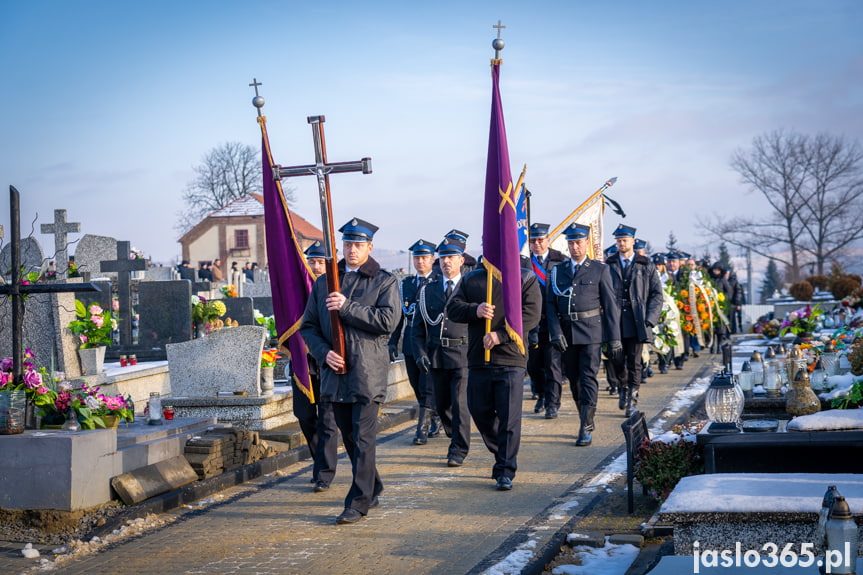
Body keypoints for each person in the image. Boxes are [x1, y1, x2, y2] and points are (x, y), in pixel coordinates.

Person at [300, 217, 400, 525]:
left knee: (364, 438)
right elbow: (309, 326)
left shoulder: (384, 281)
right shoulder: (325, 282)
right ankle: (373, 485)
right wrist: (323, 353)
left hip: (368, 373)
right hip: (335, 373)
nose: (352, 250)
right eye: (347, 244)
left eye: (358, 245)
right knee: (351, 438)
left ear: (370, 247)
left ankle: (357, 503)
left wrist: (346, 307)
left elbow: (387, 321)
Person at [447, 254, 541, 489]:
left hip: (511, 358)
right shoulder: (473, 279)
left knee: (510, 416)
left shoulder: (524, 278)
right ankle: (504, 452)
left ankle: (505, 470)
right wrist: (475, 310)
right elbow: (453, 308)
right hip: (479, 359)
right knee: (480, 411)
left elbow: (531, 315)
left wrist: (501, 335)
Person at [546, 223, 621, 446]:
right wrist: (555, 332)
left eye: (578, 242)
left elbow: (610, 305)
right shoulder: (557, 271)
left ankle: (586, 426)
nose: (575, 246)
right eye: (571, 243)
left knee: (588, 377)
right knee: (575, 380)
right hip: (567, 333)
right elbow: (550, 305)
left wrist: (614, 337)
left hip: (591, 332)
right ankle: (584, 416)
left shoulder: (600, 269)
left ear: (586, 243)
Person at [412, 236, 471, 467]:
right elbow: (417, 328)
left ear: (461, 260)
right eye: (443, 257)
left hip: (464, 353)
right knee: (443, 405)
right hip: (436, 356)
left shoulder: (471, 286)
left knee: (459, 403)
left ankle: (458, 448)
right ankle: (454, 433)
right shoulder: (428, 290)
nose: (446, 262)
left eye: (451, 257)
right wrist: (419, 353)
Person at [605, 224, 664, 417]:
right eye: (619, 241)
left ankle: (633, 398)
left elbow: (657, 294)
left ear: (632, 241)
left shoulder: (645, 264)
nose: (621, 243)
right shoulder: (609, 263)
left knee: (635, 362)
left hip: (637, 320)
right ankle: (622, 387)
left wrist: (650, 319)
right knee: (616, 360)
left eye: (625, 240)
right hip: (615, 321)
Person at [295, 240, 339, 492]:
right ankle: (318, 461)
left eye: (321, 262)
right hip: (303, 361)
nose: (316, 266)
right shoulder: (298, 288)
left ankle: (324, 473)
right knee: (304, 415)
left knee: (328, 419)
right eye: (312, 261)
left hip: (327, 360)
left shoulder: (332, 288)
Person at [388, 238, 440, 445]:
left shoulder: (437, 282)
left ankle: (422, 430)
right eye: (417, 258)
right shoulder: (407, 284)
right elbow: (399, 315)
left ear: (432, 259)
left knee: (427, 385)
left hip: (430, 341)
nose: (420, 262)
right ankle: (434, 415)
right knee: (416, 385)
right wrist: (393, 342)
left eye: (424, 258)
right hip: (411, 342)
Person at [525, 222, 567, 418]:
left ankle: (552, 403)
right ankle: (540, 393)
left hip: (553, 321)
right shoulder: (523, 263)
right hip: (531, 322)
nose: (537, 244)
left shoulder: (560, 261)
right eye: (533, 240)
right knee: (533, 365)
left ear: (548, 240)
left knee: (552, 364)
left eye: (541, 240)